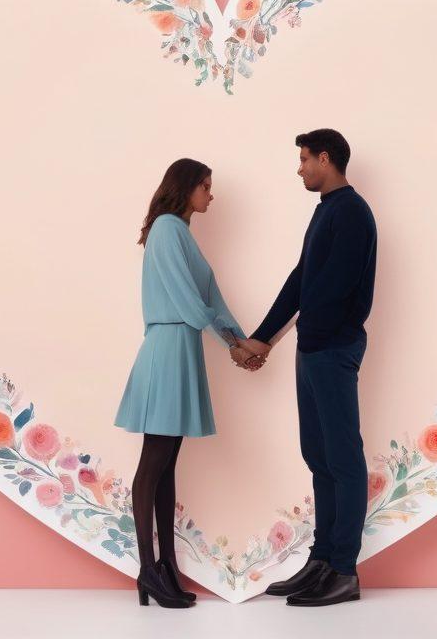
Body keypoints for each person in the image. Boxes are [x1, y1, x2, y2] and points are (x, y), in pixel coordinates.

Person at [113, 158, 265, 608]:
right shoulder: (165, 229)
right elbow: (188, 301)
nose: (210, 195)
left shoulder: (182, 233)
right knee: (153, 462)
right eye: (205, 186)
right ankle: (147, 570)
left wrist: (243, 342)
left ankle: (168, 568)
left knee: (167, 463)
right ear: (186, 187)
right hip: (167, 350)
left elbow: (211, 299)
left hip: (183, 349)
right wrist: (233, 347)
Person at [238, 128, 378, 607]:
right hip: (313, 349)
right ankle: (321, 562)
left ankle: (343, 570)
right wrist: (264, 337)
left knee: (342, 458)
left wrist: (301, 335)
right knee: (318, 456)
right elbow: (302, 280)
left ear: (325, 157)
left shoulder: (353, 213)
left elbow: (333, 291)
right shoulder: (326, 212)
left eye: (303, 160)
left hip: (333, 349)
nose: (299, 169)